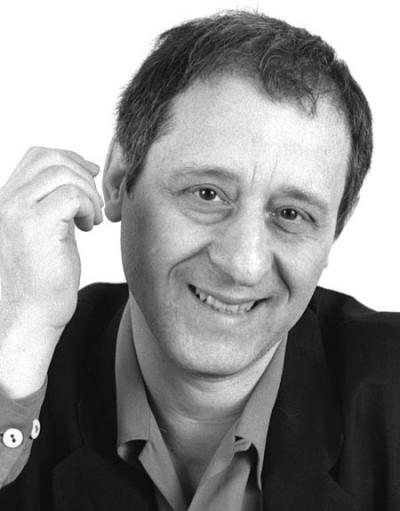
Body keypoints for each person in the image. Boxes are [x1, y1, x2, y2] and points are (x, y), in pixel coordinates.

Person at [0, 9, 399, 511]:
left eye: (291, 214)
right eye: (207, 193)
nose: (244, 264)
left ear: (335, 229)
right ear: (120, 178)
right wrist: (14, 352)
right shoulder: (18, 354)